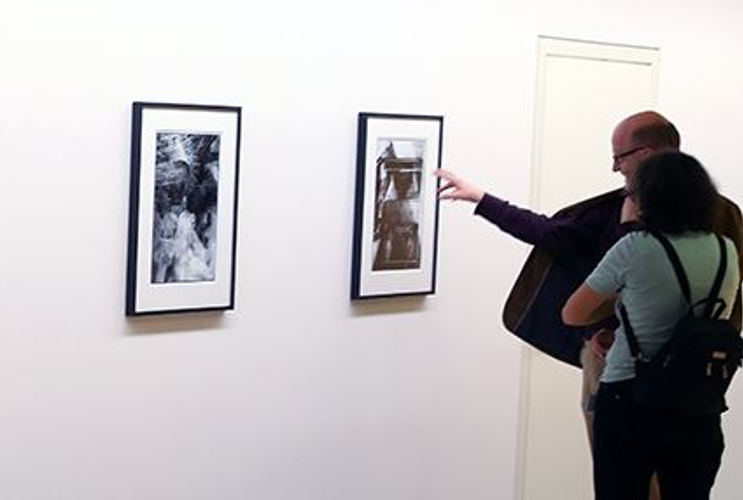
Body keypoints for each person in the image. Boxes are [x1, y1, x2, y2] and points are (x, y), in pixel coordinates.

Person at [436, 110, 743, 499]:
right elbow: (725, 304)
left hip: (630, 385)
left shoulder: (633, 238)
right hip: (697, 389)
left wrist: (613, 324)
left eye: (620, 156)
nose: (614, 168)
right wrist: (483, 200)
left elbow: (575, 309)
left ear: (646, 155)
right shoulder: (726, 241)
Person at [561, 151, 740, 500]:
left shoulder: (635, 247)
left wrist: (626, 296)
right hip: (698, 400)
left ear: (648, 199)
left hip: (630, 397)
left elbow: (573, 313)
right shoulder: (726, 249)